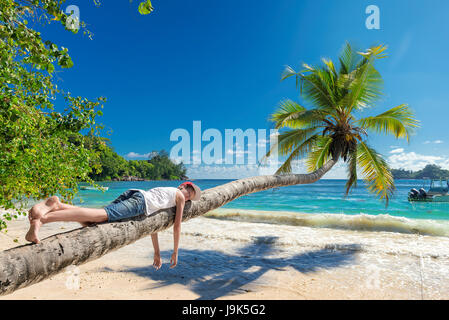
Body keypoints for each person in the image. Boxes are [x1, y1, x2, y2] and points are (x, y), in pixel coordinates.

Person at [25, 182, 202, 270]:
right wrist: (175, 252)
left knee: (93, 220)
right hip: (139, 203)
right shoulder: (178, 196)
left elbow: (152, 225)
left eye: (189, 198)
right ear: (184, 187)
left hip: (134, 194)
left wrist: (156, 252)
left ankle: (57, 205)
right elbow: (177, 225)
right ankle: (42, 220)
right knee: (102, 216)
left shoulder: (167, 192)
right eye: (189, 194)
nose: (187, 199)